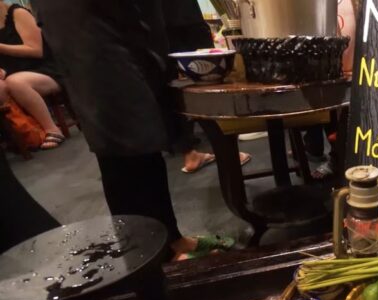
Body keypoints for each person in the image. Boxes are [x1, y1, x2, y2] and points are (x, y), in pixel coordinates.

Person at [32, 0, 232, 260]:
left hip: (117, 23)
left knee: (145, 136)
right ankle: (153, 255)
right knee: (122, 138)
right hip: (87, 24)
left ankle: (171, 239)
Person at [164, 0, 250, 174]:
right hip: (184, 16)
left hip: (157, 22)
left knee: (171, 87)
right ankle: (228, 153)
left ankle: (189, 153)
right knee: (207, 81)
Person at [0, 1, 64, 149]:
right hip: (12, 73)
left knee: (15, 82)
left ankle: (52, 128)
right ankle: (21, 136)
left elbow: (36, 50)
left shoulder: (17, 13)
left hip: (43, 69)